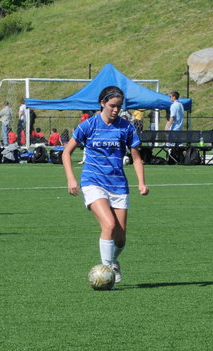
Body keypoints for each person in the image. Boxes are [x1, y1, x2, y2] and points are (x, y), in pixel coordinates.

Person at [62, 86, 149, 284]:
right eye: (112, 106)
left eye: (119, 106)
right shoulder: (88, 125)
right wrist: (71, 178)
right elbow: (66, 152)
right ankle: (106, 273)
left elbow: (136, 158)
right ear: (102, 103)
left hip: (118, 185)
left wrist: (141, 183)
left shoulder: (126, 127)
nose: (116, 110)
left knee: (120, 239)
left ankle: (113, 261)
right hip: (93, 182)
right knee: (108, 225)